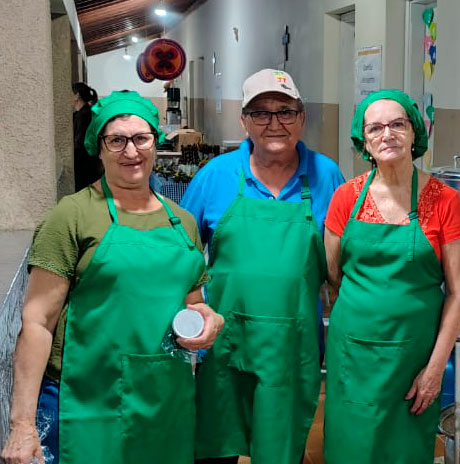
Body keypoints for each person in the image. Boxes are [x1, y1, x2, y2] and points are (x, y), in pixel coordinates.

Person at [1, 90, 224, 464]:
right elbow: (37, 322)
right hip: (86, 400)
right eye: (117, 140)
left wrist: (209, 320)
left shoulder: (183, 222)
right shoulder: (72, 216)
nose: (131, 151)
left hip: (163, 400)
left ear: (155, 142)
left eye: (141, 138)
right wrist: (21, 424)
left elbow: (193, 304)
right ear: (99, 148)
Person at [180, 68, 344, 464]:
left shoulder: (326, 175)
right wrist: (190, 311)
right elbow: (181, 254)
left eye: (285, 112)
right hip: (224, 346)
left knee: (281, 451)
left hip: (293, 348)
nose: (274, 124)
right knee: (214, 448)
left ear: (302, 118)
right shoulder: (215, 175)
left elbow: (343, 269)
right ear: (244, 121)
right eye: (261, 113)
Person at [323, 89, 460, 464]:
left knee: (405, 450)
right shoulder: (345, 197)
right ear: (364, 141)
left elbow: (459, 291)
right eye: (375, 128)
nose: (386, 134)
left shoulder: (444, 200)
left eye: (397, 124)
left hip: (414, 355)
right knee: (351, 447)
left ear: (414, 132)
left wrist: (435, 369)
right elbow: (333, 273)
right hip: (353, 353)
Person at [72, 82, 103, 191]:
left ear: (77, 96)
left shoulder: (83, 116)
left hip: (85, 167)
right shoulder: (84, 113)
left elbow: (80, 143)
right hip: (89, 167)